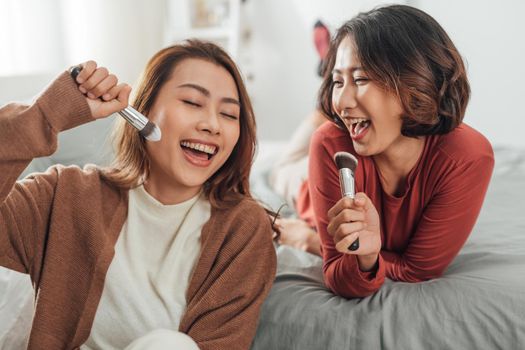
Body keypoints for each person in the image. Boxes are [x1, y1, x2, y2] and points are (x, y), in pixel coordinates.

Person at [0, 40, 276, 349]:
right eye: (192, 102)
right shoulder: (68, 195)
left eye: (228, 114)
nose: (212, 124)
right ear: (143, 112)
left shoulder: (243, 229)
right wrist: (48, 112)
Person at [305, 5, 494, 298]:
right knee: (286, 173)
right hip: (309, 187)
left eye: (361, 78)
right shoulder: (330, 146)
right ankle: (325, 64)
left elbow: (417, 271)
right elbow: (337, 270)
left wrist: (369, 256)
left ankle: (325, 61)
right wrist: (365, 258)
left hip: (359, 128)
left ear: (415, 82)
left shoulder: (468, 158)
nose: (341, 100)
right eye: (337, 82)